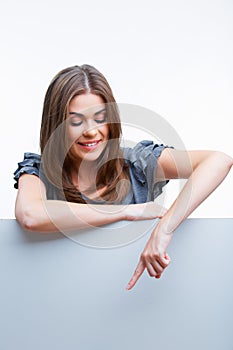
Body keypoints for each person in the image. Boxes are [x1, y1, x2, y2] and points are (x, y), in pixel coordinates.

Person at [13, 64, 233, 290]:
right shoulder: (38, 171)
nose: (91, 131)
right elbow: (30, 215)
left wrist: (165, 229)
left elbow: (218, 160)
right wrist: (125, 211)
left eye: (100, 118)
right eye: (76, 121)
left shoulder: (135, 163)